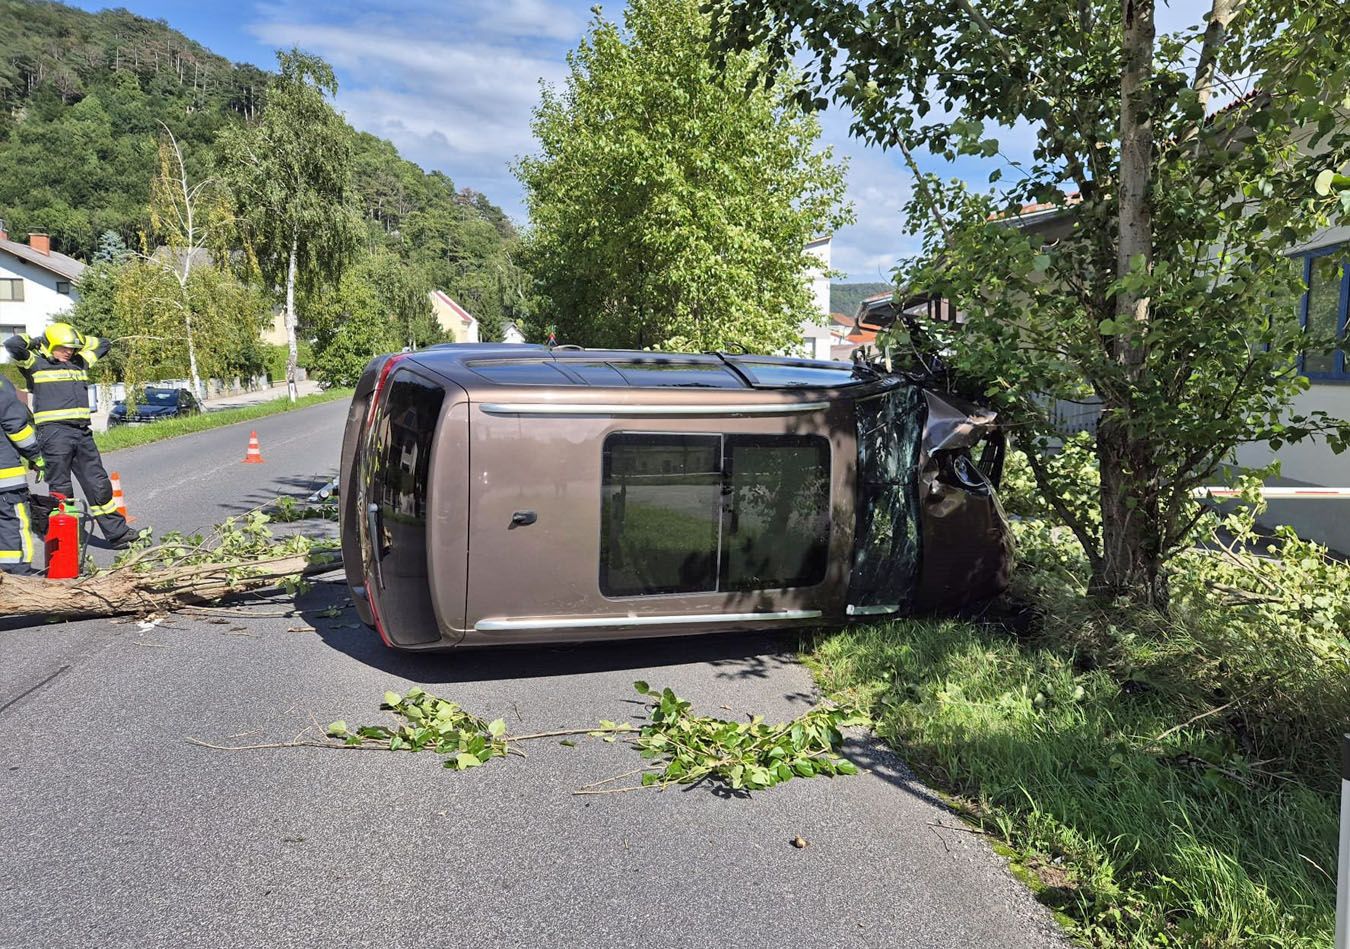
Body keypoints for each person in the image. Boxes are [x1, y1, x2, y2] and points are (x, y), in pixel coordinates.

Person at [4, 323, 135, 549]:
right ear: (51, 345)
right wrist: (38, 341)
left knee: (99, 484)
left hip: (82, 433)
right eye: (64, 347)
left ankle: (119, 535)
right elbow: (12, 344)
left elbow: (104, 344)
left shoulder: (80, 362)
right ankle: (68, 542)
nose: (69, 352)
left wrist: (79, 339)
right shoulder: (35, 363)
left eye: (72, 348)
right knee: (62, 491)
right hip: (54, 435)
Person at [0, 374, 44, 574]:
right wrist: (36, 455)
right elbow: (16, 426)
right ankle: (18, 574)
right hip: (5, 478)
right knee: (15, 523)